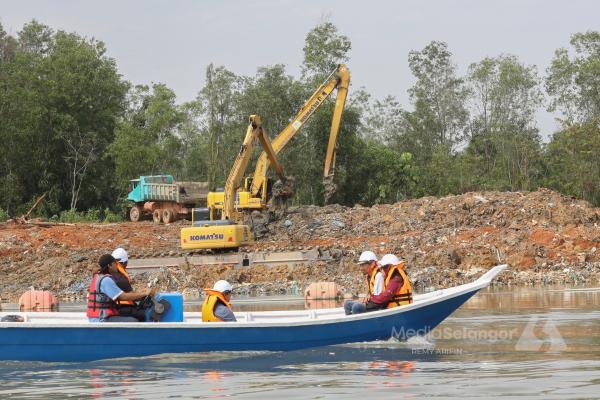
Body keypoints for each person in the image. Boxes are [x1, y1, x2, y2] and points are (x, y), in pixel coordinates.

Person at [87, 254, 153, 322]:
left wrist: (142, 292)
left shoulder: (98, 277)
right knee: (133, 321)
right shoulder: (106, 280)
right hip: (100, 318)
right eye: (115, 264)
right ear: (110, 265)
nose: (117, 266)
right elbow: (123, 296)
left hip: (96, 316)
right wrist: (144, 293)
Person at [344, 250, 384, 315]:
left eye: (363, 265)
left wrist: (365, 304)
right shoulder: (369, 277)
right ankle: (351, 320)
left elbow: (378, 301)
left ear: (372, 264)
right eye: (360, 265)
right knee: (347, 304)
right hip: (372, 304)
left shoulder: (379, 276)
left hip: (378, 306)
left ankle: (357, 321)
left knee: (356, 307)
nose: (361, 268)